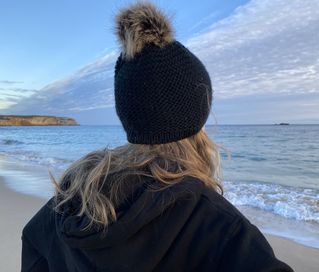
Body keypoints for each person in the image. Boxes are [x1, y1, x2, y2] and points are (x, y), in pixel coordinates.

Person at [21, 2, 294, 272]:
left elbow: (32, 241)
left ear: (128, 113)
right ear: (197, 116)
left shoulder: (68, 204)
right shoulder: (220, 229)